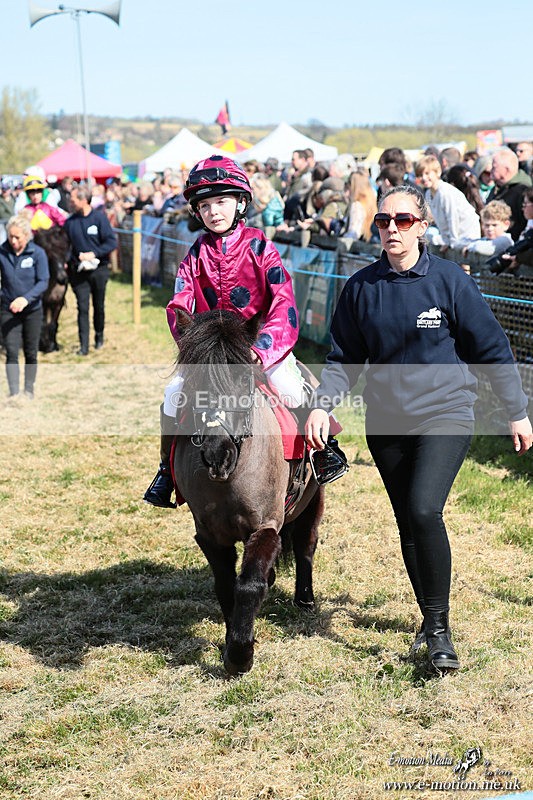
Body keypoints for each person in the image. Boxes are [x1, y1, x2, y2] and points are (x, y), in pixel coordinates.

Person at [304, 185, 532, 673]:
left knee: (426, 508)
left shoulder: (450, 281)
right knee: (409, 520)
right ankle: (429, 624)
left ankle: (441, 631)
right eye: (383, 221)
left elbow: (490, 349)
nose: (391, 228)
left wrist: (517, 410)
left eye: (403, 220)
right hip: (386, 422)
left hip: (446, 412)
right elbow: (344, 358)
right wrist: (323, 405)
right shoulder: (362, 288)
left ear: (423, 225)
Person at [143, 155, 347, 508]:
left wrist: (263, 349)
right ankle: (166, 470)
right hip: (213, 355)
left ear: (240, 203)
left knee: (290, 388)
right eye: (204, 205)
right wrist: (198, 350)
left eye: (221, 201)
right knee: (172, 391)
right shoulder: (194, 257)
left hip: (261, 347)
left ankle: (323, 453)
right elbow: (179, 307)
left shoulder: (261, 247)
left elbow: (284, 302)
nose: (213, 211)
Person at [0, 215, 49, 400]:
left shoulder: (37, 254)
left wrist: (26, 299)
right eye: (10, 236)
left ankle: (29, 390)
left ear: (27, 236)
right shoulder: (2, 252)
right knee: (11, 351)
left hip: (32, 311)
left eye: (17, 237)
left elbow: (43, 281)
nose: (13, 241)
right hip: (8, 310)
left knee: (31, 351)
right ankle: (14, 393)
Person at [64, 185, 117, 355]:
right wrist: (70, 260)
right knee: (82, 307)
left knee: (98, 306)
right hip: (78, 273)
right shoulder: (69, 222)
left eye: (73, 199)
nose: (70, 202)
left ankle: (99, 336)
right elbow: (66, 247)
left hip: (99, 270)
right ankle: (84, 346)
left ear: (83, 200)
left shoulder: (99, 219)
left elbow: (111, 242)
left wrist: (94, 253)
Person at [416, 155, 481, 250]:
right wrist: (446, 239)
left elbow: (452, 217)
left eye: (427, 173)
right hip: (451, 235)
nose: (424, 178)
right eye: (420, 175)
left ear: (437, 172)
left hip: (467, 232)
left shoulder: (445, 192)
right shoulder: (428, 193)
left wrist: (452, 242)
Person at [487, 148, 532, 241]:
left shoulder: (522, 191)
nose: (491, 170)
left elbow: (524, 223)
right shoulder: (497, 189)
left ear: (506, 170)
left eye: (494, 167)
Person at [344, 170, 378, 241]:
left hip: (357, 247)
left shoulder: (356, 205)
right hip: (367, 244)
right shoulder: (371, 202)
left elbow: (353, 233)